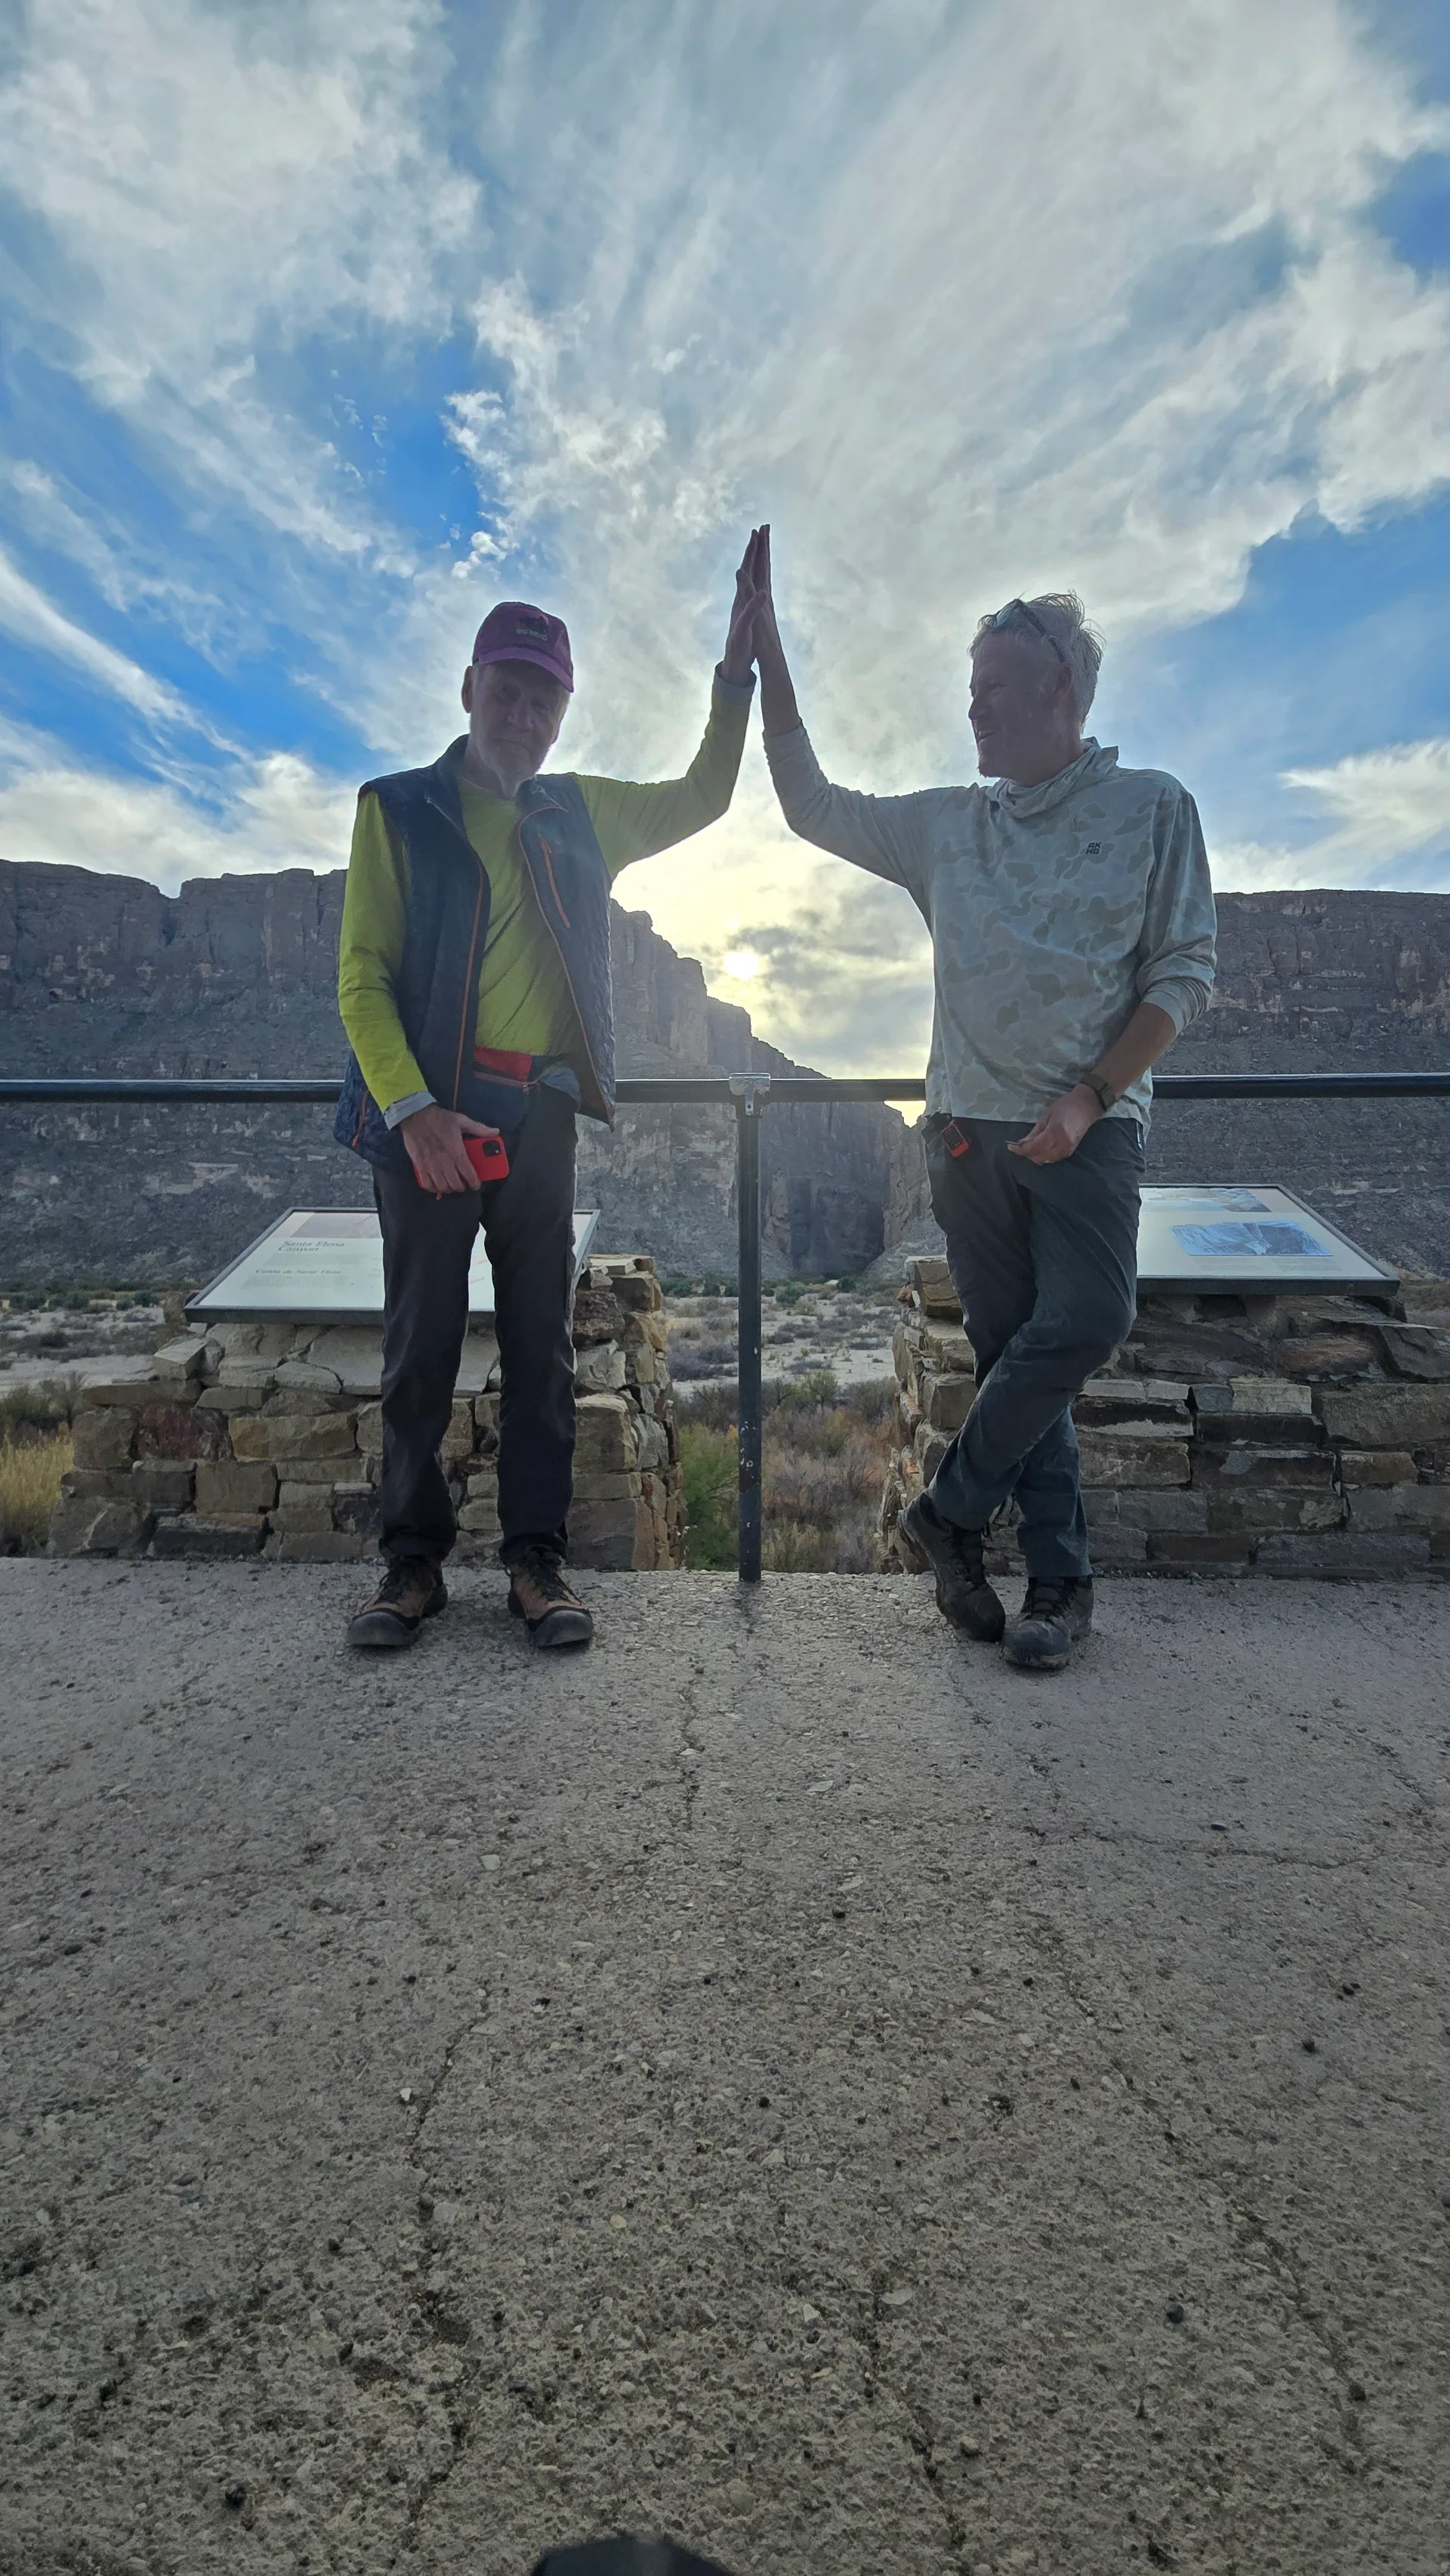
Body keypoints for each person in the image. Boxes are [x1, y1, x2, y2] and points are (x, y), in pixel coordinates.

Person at [751, 537, 1216, 1672]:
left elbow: (1182, 977)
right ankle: (1056, 1587)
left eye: (994, 691)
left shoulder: (1154, 810)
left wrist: (1095, 1093)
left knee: (1089, 1319)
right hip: (964, 1132)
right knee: (1018, 1358)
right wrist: (766, 652)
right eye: (970, 693)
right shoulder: (948, 825)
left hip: (1090, 1130)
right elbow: (812, 803)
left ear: (1062, 689)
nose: (976, 713)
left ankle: (949, 1509)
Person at [335, 537, 766, 1653]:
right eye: (509, 688)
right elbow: (361, 978)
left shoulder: (582, 812)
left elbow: (705, 794)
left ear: (564, 712)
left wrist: (736, 670)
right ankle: (410, 1568)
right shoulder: (397, 810)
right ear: (470, 688)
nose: (525, 712)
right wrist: (413, 1111)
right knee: (419, 1350)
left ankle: (537, 1563)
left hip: (538, 1116)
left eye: (546, 697)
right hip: (427, 1121)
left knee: (542, 1350)